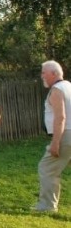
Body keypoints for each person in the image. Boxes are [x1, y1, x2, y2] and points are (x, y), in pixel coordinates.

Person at [33, 60, 71, 213]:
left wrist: (55, 143)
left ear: (54, 73)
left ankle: (47, 206)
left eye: (44, 73)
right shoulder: (69, 86)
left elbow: (60, 117)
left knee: (47, 168)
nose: (42, 76)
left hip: (65, 135)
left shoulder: (57, 89)